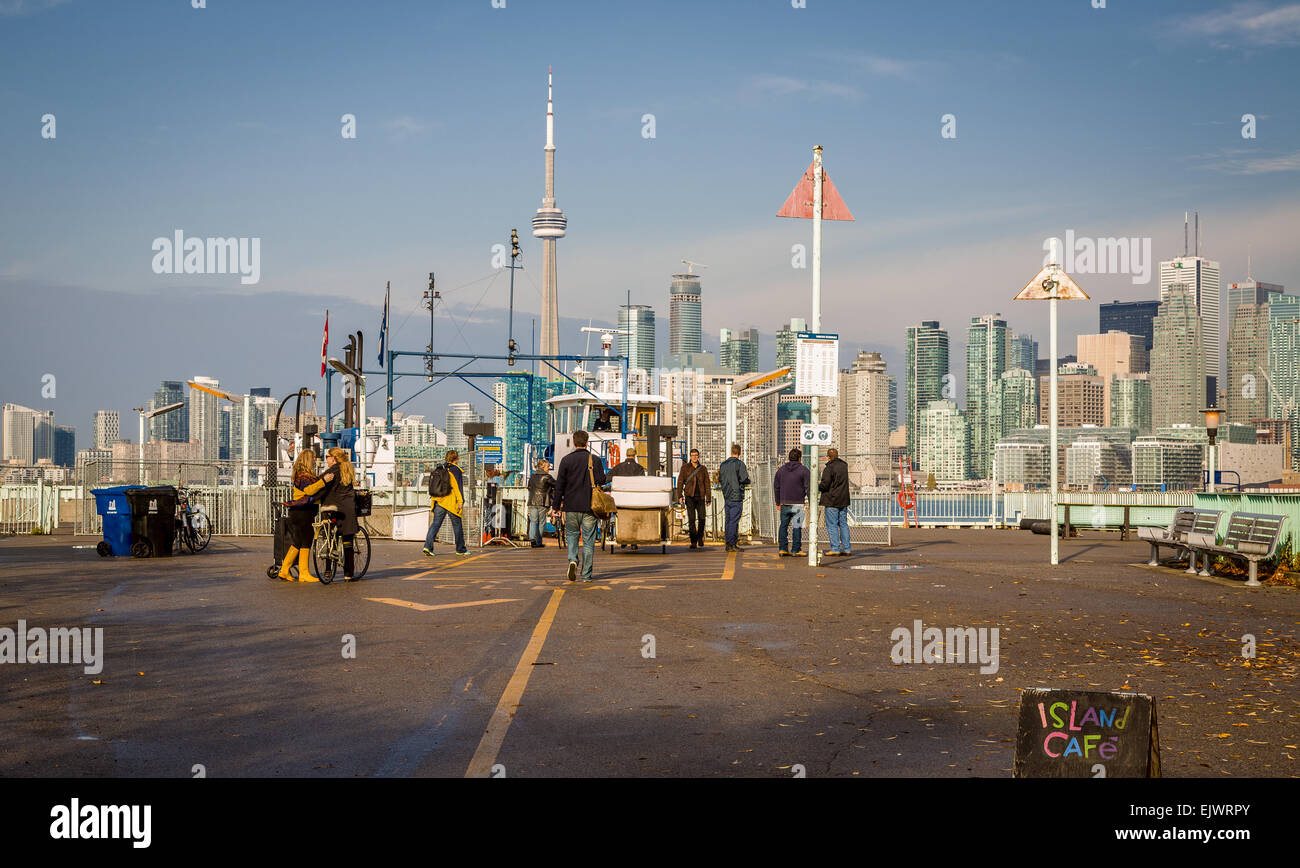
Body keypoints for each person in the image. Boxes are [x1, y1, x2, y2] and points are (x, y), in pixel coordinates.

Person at [551, 429, 606, 582]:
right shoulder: (594, 459)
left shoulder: (566, 460)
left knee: (572, 536)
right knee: (588, 541)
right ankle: (587, 575)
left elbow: (559, 486)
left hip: (571, 506)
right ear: (587, 443)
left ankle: (573, 560)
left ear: (574, 442)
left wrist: (556, 506)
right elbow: (601, 479)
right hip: (590, 506)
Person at [279, 448, 324, 582]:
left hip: (299, 512)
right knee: (306, 540)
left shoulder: (301, 475)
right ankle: (303, 573)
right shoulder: (303, 476)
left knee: (298, 541)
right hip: (303, 511)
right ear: (308, 460)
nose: (315, 461)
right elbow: (309, 490)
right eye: (313, 458)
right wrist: (323, 481)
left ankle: (284, 570)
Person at [318, 447, 360, 580]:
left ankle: (328, 571)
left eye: (327, 457)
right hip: (347, 508)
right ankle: (348, 574)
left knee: (330, 538)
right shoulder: (348, 468)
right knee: (348, 541)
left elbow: (319, 483)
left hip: (332, 506)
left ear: (333, 458)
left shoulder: (333, 470)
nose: (327, 460)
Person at [423, 450, 468, 557]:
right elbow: (457, 488)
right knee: (457, 526)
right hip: (451, 502)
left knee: (435, 524)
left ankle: (427, 547)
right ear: (456, 459)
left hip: (439, 501)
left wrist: (433, 502)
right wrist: (460, 501)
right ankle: (460, 549)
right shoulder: (456, 470)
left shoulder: (441, 468)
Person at [606, 446, 646, 549]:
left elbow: (607, 478)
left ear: (626, 455)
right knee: (634, 520)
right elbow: (642, 483)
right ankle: (633, 543)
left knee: (620, 518)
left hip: (620, 500)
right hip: (634, 500)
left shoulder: (618, 467)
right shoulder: (639, 468)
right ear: (635, 455)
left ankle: (622, 539)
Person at [773, 448, 810, 557]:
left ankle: (783, 549)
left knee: (783, 525)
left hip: (784, 503)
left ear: (789, 458)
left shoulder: (781, 470)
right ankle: (796, 549)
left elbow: (776, 487)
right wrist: (811, 502)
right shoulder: (804, 470)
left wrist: (778, 502)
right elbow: (808, 487)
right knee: (796, 526)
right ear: (799, 458)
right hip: (797, 503)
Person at [717, 443, 751, 552]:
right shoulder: (740, 464)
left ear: (731, 452)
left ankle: (728, 543)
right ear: (739, 452)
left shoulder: (723, 464)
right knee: (734, 521)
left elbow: (720, 479)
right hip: (736, 496)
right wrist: (748, 481)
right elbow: (744, 478)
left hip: (727, 495)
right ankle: (732, 543)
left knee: (728, 520)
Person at [818, 447, 851, 556]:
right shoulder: (844, 466)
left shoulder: (829, 468)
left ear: (828, 457)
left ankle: (835, 548)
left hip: (832, 499)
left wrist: (818, 486)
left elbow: (825, 484)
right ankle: (847, 549)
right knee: (843, 524)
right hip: (843, 499)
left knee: (832, 525)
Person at [677, 448, 711, 550]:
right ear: (690, 457)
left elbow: (707, 484)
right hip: (689, 497)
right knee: (691, 520)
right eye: (692, 455)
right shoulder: (685, 468)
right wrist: (680, 496)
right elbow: (680, 482)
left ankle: (700, 537)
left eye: (696, 455)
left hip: (700, 497)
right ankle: (693, 541)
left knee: (702, 519)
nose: (694, 457)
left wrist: (708, 498)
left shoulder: (703, 469)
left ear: (698, 456)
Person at [525, 458, 555, 548]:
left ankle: (532, 538)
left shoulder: (532, 476)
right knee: (541, 522)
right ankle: (538, 542)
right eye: (547, 467)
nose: (548, 468)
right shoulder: (547, 476)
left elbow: (529, 487)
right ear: (542, 467)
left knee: (533, 521)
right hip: (542, 501)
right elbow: (556, 484)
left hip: (532, 501)